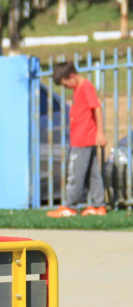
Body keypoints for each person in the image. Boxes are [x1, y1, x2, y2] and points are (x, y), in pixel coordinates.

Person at [47, 63, 107, 217]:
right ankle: (98, 206)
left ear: (72, 76)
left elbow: (97, 108)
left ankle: (70, 206)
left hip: (82, 140)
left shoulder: (85, 87)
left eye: (65, 83)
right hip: (84, 139)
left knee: (75, 174)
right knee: (93, 174)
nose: (65, 87)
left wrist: (100, 132)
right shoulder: (79, 89)